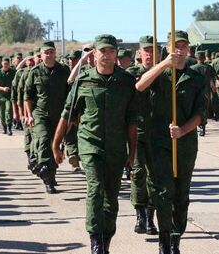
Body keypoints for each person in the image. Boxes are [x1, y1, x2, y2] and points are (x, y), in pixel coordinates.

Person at [52, 34, 137, 254]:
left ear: (116, 54)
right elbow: (67, 115)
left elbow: (132, 121)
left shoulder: (126, 82)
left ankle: (106, 239)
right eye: (102, 51)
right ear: (95, 53)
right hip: (90, 145)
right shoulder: (83, 80)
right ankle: (95, 241)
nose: (106, 55)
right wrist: (56, 144)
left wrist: (133, 152)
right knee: (95, 188)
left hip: (117, 147)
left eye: (111, 51)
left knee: (111, 196)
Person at [136, 31, 207, 254]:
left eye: (183, 46)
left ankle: (176, 238)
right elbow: (140, 86)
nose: (179, 50)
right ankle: (164, 240)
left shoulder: (196, 78)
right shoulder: (159, 74)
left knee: (181, 194)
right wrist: (164, 64)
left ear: (188, 50)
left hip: (185, 143)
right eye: (175, 46)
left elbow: (201, 113)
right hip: (159, 142)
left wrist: (183, 130)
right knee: (164, 191)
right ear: (167, 48)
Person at [25, 41, 70, 193]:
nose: (49, 55)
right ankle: (46, 174)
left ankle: (50, 173)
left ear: (55, 53)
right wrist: (29, 115)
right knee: (43, 140)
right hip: (41, 113)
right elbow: (28, 96)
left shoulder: (64, 71)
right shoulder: (35, 72)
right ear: (42, 55)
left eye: (51, 52)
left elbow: (70, 94)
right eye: (46, 53)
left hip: (59, 115)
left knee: (54, 145)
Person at [126, 36, 159, 235]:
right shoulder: (132, 74)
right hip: (137, 132)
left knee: (155, 177)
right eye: (146, 51)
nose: (149, 54)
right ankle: (140, 215)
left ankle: (151, 218)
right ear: (139, 53)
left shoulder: (165, 74)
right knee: (138, 174)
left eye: (153, 50)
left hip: (158, 133)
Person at [190, 49, 216, 136]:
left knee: (194, 108)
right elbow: (213, 79)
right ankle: (202, 127)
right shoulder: (209, 68)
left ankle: (194, 126)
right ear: (204, 58)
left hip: (194, 92)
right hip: (206, 92)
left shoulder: (192, 69)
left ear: (196, 58)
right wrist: (213, 88)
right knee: (204, 109)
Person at [0, 58, 16, 135]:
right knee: (2, 113)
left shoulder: (13, 72)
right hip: (0, 96)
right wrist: (2, 88)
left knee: (8, 110)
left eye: (7, 64)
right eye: (4, 64)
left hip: (10, 95)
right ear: (2, 64)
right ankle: (4, 128)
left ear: (9, 64)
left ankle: (9, 128)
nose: (6, 65)